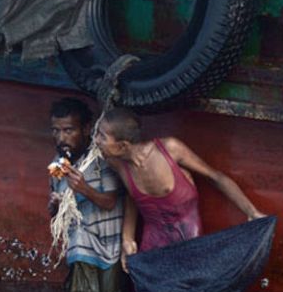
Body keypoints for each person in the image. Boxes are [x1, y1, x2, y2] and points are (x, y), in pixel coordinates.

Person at [94, 107, 265, 270]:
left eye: (102, 136)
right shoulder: (116, 163)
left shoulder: (170, 150)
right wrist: (128, 239)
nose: (96, 140)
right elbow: (133, 197)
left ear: (123, 146)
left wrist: (251, 211)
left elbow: (216, 177)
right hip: (152, 250)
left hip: (189, 244)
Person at [48, 98, 125, 292]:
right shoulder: (58, 165)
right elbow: (57, 215)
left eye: (68, 130)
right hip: (80, 249)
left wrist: (84, 189)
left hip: (110, 249)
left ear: (86, 129)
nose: (61, 138)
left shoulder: (102, 160)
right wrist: (55, 207)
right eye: (56, 130)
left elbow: (111, 202)